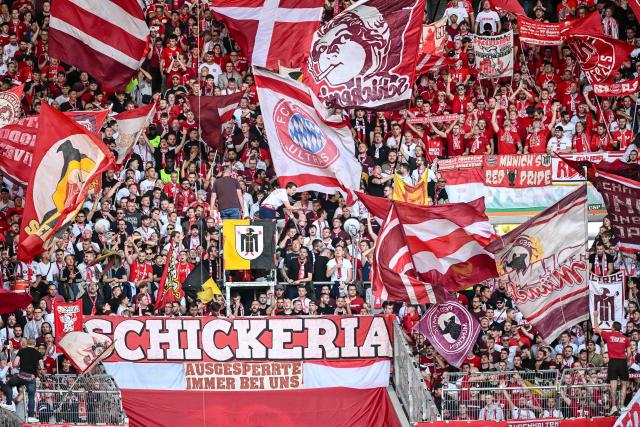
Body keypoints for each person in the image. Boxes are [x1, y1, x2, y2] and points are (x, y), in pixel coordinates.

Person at [594, 311, 629, 415]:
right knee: (624, 384)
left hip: (612, 362)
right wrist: (626, 361)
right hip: (622, 362)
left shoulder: (609, 335)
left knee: (613, 386)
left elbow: (597, 329)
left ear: (613, 328)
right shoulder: (625, 338)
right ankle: (622, 406)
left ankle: (613, 407)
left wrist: (596, 317)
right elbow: (630, 353)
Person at [2, 338, 42, 423]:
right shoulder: (38, 353)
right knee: (31, 397)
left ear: (27, 343)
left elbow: (15, 364)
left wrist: (17, 365)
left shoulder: (22, 351)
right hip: (31, 377)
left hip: (21, 375)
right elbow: (41, 367)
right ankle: (30, 416)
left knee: (8, 385)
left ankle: (9, 404)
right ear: (35, 344)